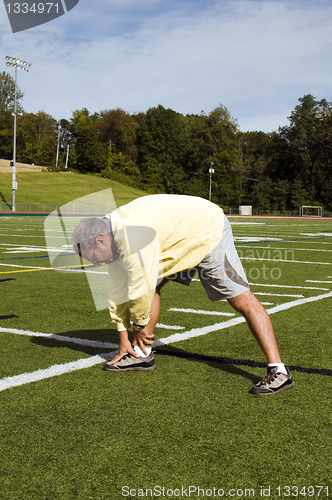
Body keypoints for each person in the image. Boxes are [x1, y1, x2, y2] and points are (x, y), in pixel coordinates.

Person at [73, 194, 294, 395]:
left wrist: (139, 328)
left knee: (240, 298)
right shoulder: (111, 235)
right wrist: (123, 338)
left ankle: (279, 370)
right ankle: (142, 354)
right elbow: (118, 291)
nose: (95, 263)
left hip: (206, 228)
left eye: (92, 256)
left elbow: (141, 288)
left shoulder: (131, 238)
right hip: (175, 238)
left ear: (101, 240)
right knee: (155, 287)